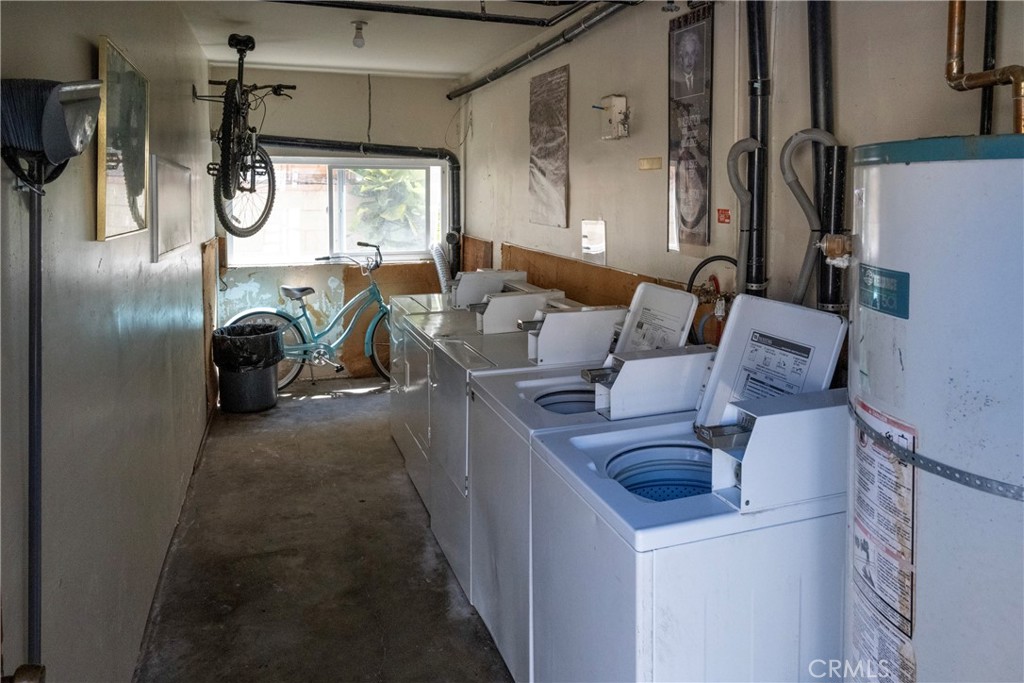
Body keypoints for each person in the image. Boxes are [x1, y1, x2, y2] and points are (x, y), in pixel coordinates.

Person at [673, 27, 704, 98]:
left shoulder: (701, 80)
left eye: (692, 54)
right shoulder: (675, 82)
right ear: (681, 56)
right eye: (686, 54)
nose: (690, 60)